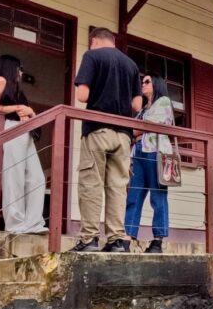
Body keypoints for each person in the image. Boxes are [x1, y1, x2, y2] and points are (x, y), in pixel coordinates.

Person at [69, 27, 142, 253]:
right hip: (123, 135)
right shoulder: (131, 65)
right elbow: (137, 106)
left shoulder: (92, 56)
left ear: (94, 41)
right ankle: (116, 241)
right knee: (118, 188)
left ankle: (89, 239)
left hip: (98, 130)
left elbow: (82, 96)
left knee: (91, 184)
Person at [0, 55, 47, 234]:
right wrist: (17, 108)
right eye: (19, 68)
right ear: (11, 67)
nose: (21, 72)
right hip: (11, 128)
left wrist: (30, 111)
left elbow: (28, 113)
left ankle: (33, 223)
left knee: (37, 178)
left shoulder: (16, 88)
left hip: (25, 132)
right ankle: (15, 223)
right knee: (14, 176)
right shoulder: (1, 80)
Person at [123, 74, 175, 253]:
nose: (142, 84)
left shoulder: (163, 101)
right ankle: (127, 237)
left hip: (156, 153)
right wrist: (136, 130)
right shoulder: (144, 109)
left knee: (158, 197)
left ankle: (157, 241)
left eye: (147, 81)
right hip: (138, 153)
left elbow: (143, 127)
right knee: (133, 196)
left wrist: (136, 130)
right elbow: (136, 129)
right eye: (142, 82)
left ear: (157, 84)